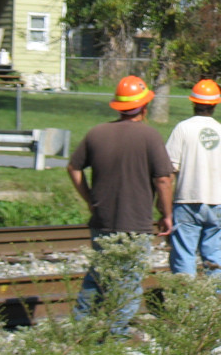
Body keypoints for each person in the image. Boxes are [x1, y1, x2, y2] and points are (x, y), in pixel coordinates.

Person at [67, 75, 173, 336]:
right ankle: (116, 332)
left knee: (98, 274)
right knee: (129, 278)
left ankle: (81, 326)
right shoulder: (150, 136)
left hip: (102, 220)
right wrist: (167, 214)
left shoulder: (96, 133)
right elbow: (162, 179)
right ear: (144, 107)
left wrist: (90, 199)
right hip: (135, 222)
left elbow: (73, 168)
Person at [166, 79, 221, 277]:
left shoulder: (182, 129)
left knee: (184, 254)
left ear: (193, 102)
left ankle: (185, 298)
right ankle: (214, 300)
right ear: (215, 104)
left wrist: (163, 202)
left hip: (186, 201)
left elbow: (170, 170)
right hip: (216, 202)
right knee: (215, 256)